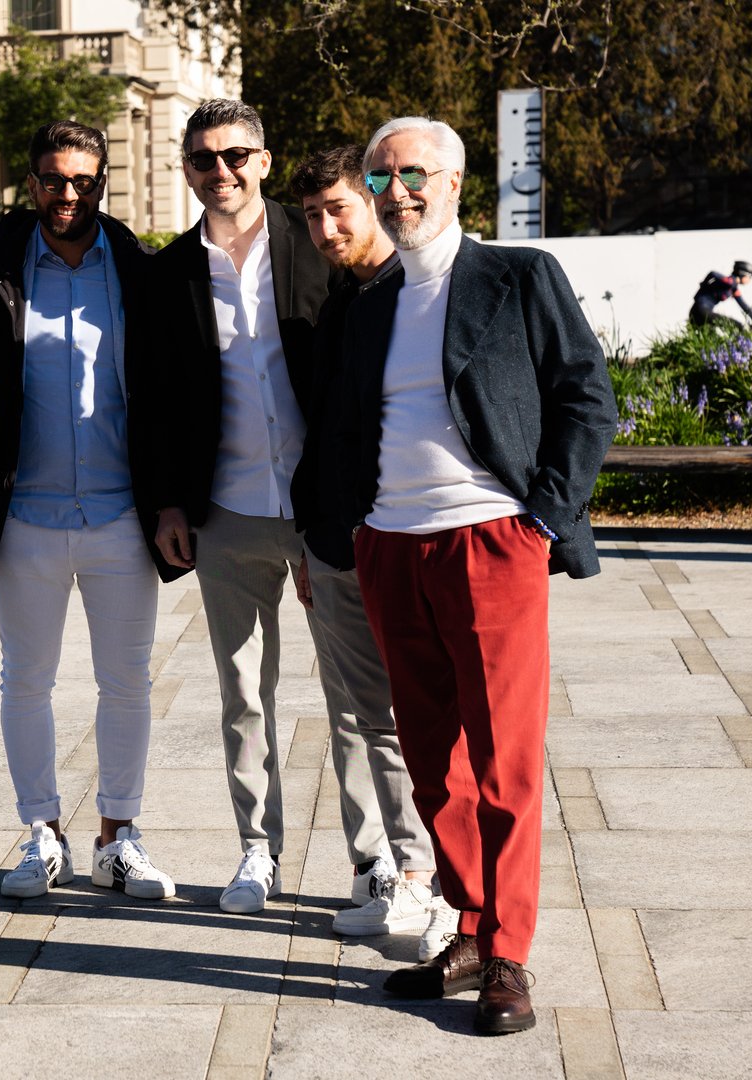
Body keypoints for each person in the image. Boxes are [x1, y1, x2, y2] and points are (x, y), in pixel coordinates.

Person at [331, 116, 616, 1035]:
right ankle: (468, 920)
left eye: (414, 174)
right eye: (381, 179)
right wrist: (348, 529)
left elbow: (585, 396)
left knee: (504, 763)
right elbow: (347, 427)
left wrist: (542, 517)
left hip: (490, 541)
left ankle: (506, 954)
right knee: (430, 764)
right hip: (390, 545)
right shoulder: (369, 302)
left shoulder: (519, 276)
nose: (398, 193)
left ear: (455, 182)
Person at [0, 120, 181, 903]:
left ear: (101, 183)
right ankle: (41, 834)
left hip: (121, 515)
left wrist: (171, 501)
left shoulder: (141, 269)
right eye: (53, 179)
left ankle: (118, 838)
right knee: (25, 681)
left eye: (83, 180)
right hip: (24, 515)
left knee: (127, 683)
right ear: (32, 182)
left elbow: (169, 392)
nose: (67, 194)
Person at [146, 99, 333, 915]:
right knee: (244, 692)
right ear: (186, 169)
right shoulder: (167, 273)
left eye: (233, 156)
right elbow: (151, 403)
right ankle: (258, 850)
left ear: (262, 160)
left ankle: (376, 863)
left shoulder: (318, 239)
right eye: (202, 159)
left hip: (323, 506)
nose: (218, 171)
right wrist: (165, 504)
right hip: (224, 510)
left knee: (357, 695)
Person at [287, 146, 454, 956]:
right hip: (333, 545)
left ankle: (450, 888)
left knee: (427, 717)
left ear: (374, 201)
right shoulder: (339, 301)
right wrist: (307, 538)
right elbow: (322, 434)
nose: (324, 229)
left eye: (338, 210)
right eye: (311, 216)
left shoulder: (418, 293)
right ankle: (409, 874)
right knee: (365, 719)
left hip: (406, 540)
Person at [689, 260, 752, 328]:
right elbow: (713, 273)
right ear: (742, 273)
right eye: (750, 277)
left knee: (712, 334)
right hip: (701, 311)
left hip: (697, 312)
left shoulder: (734, 289)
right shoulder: (730, 281)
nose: (749, 280)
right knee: (736, 325)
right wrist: (703, 284)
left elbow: (745, 307)